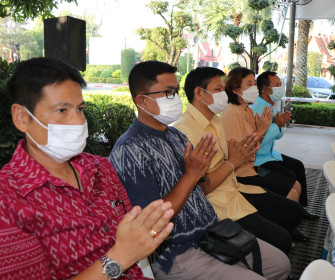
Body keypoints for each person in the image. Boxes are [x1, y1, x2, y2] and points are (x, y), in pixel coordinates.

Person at [110, 61, 291, 280]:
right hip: (179, 250)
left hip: (213, 232)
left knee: (281, 265)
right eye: (168, 92)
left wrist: (211, 170)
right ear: (142, 101)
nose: (176, 98)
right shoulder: (130, 149)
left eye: (175, 91)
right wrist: (194, 174)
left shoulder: (175, 136)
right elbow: (151, 222)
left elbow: (202, 187)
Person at [0, 57, 175, 280]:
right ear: (22, 117)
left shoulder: (100, 168)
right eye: (62, 110)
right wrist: (120, 257)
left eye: (80, 109)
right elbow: (126, 251)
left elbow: (134, 235)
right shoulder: (8, 199)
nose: (78, 121)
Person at [173, 67, 307, 253]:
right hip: (220, 203)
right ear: (199, 93)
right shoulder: (185, 130)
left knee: (293, 211)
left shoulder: (216, 120)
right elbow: (202, 187)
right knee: (282, 239)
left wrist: (263, 132)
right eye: (218, 89)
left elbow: (241, 154)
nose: (223, 94)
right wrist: (236, 159)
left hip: (235, 187)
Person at [221, 67, 301, 202]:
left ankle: (299, 211)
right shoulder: (232, 113)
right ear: (235, 89)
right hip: (246, 171)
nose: (254, 88)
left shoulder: (247, 110)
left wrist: (272, 127)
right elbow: (242, 150)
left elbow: (261, 141)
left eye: (254, 84)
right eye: (249, 84)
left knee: (295, 181)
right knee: (291, 188)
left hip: (253, 166)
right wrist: (264, 129)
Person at [250, 71, 319, 220]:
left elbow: (278, 136)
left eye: (280, 85)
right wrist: (277, 125)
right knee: (290, 175)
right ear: (265, 89)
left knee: (298, 166)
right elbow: (258, 139)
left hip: (270, 155)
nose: (280, 88)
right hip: (259, 159)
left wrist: (280, 125)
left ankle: (300, 209)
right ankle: (291, 211)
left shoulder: (271, 107)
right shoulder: (255, 108)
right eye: (277, 85)